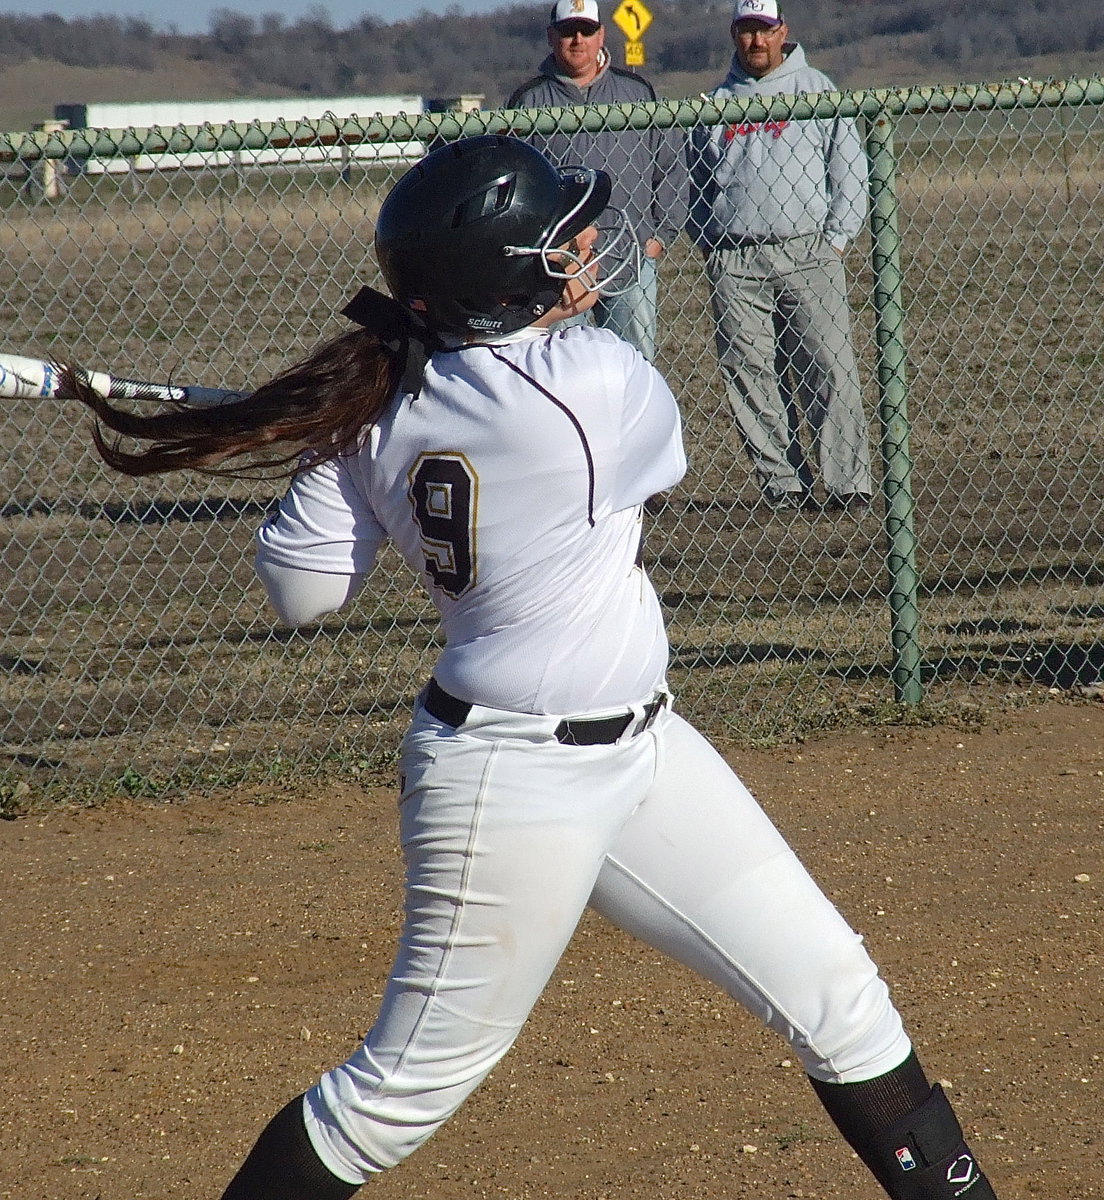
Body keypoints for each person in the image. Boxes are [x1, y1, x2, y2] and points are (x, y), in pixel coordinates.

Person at [71, 136, 999, 1200]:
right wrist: (390, 417)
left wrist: (352, 439)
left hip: (649, 757)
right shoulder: (603, 381)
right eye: (560, 243)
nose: (584, 248)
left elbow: (304, 589)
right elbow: (629, 453)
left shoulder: (382, 411)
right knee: (394, 1097)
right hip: (509, 785)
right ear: (503, 282)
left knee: (840, 996)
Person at [688, 0, 873, 512]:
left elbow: (850, 170)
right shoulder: (715, 103)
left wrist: (836, 239)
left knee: (829, 368)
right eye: (747, 31)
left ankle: (846, 483)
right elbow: (696, 186)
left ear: (782, 31)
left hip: (809, 250)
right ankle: (784, 485)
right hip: (736, 259)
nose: (756, 42)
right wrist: (712, 244)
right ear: (734, 34)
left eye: (765, 30)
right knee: (749, 375)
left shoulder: (814, 89)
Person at [505, 0, 687, 361]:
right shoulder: (528, 102)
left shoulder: (637, 93)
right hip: (557, 266)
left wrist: (660, 236)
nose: (577, 40)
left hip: (629, 259)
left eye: (586, 31)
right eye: (568, 31)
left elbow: (670, 164)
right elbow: (517, 182)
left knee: (632, 366)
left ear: (601, 34)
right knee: (560, 366)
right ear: (550, 36)